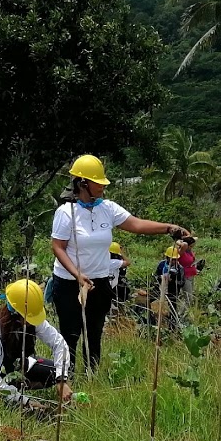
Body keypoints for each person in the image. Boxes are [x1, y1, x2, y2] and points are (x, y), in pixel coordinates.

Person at [50, 154, 192, 373]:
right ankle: (65, 381)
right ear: (83, 183)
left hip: (99, 282)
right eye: (98, 183)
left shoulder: (108, 208)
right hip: (70, 284)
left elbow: (136, 224)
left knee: (94, 334)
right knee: (70, 335)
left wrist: (169, 228)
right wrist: (77, 274)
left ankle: (92, 377)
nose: (102, 187)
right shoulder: (66, 213)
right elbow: (58, 247)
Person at [0, 279, 73, 412]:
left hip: (11, 366)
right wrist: (26, 401)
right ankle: (12, 398)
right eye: (28, 318)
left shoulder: (32, 318)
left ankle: (16, 387)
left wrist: (61, 380)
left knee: (53, 371)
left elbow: (58, 343)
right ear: (15, 313)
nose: (31, 322)